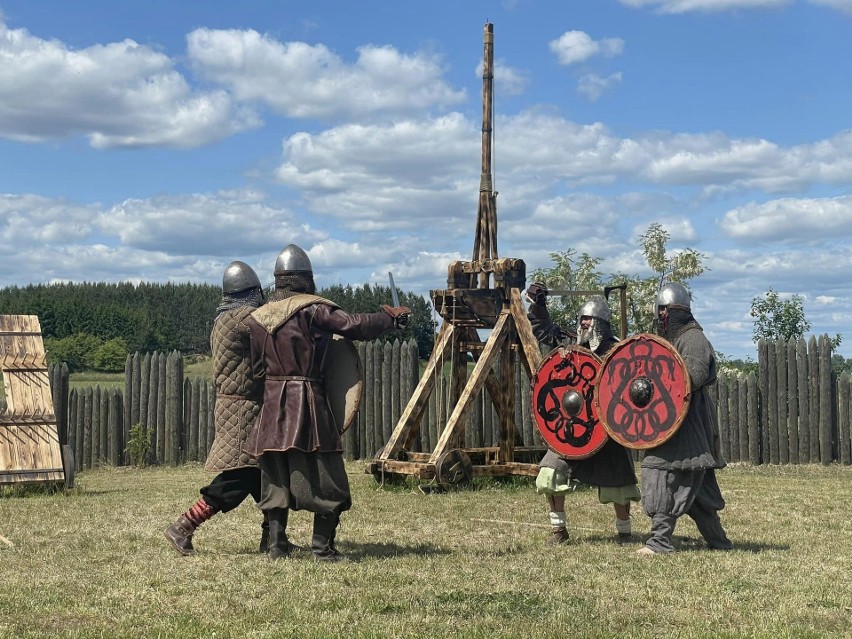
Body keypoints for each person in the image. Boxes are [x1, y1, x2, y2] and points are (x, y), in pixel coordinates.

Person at [246, 244, 410, 562]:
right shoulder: (313, 310)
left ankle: (277, 546)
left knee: (275, 475)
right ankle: (322, 548)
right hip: (307, 403)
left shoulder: (257, 319)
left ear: (279, 280)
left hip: (271, 406)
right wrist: (390, 320)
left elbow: (256, 371)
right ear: (306, 278)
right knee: (327, 474)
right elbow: (354, 325)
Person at [164, 261, 267, 556]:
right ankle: (184, 525)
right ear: (251, 293)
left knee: (264, 476)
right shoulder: (240, 318)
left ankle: (274, 537)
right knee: (239, 477)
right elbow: (272, 322)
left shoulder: (225, 318)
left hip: (240, 406)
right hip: (242, 409)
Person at [526, 283, 640, 545]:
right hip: (571, 430)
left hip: (606, 432)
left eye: (588, 319)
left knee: (620, 485)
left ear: (601, 322)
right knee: (550, 473)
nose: (583, 324)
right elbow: (544, 330)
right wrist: (539, 305)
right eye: (581, 319)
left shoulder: (617, 352)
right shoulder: (573, 345)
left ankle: (624, 532)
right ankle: (559, 531)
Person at [636, 281, 733, 555]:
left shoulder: (693, 338)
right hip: (672, 422)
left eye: (664, 312)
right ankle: (719, 542)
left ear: (673, 312)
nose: (660, 317)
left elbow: (693, 377)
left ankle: (659, 542)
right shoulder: (674, 339)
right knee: (698, 491)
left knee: (660, 472)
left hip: (686, 422)